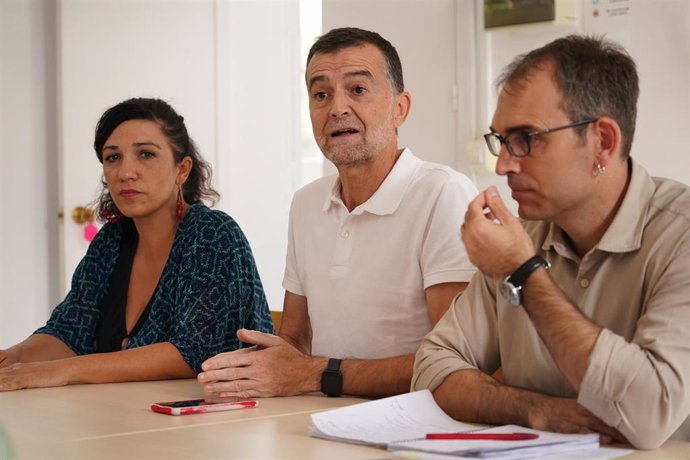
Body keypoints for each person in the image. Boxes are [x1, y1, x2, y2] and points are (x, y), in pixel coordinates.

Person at [412, 35, 690, 449]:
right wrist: (533, 409)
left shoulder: (680, 235)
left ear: (603, 143)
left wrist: (524, 272)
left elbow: (649, 416)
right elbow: (432, 367)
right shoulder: (520, 238)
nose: (504, 164)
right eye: (501, 141)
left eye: (526, 138)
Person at [197, 27, 477, 398]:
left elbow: (455, 360)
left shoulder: (443, 193)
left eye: (358, 90)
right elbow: (295, 338)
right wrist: (257, 369)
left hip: (416, 424)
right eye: (320, 94)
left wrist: (316, 375)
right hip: (322, 415)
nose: (337, 108)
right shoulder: (306, 203)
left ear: (400, 108)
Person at [0, 97, 273, 391]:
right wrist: (13, 358)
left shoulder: (213, 235)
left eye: (145, 154)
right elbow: (67, 332)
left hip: (213, 424)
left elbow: (193, 353)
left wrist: (63, 371)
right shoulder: (111, 241)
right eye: (113, 157)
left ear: (182, 170)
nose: (125, 172)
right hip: (124, 417)